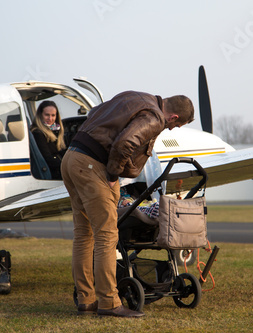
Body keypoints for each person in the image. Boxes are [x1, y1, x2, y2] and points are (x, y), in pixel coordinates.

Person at [60, 91, 194, 317]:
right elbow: (126, 142)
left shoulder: (136, 97)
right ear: (172, 117)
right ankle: (109, 303)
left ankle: (86, 300)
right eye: (176, 125)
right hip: (92, 166)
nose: (172, 129)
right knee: (107, 235)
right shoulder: (154, 117)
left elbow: (95, 113)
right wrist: (113, 174)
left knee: (84, 234)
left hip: (71, 158)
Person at [30, 100, 66, 179]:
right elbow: (48, 159)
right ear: (40, 115)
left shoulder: (56, 130)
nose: (50, 118)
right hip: (52, 172)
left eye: (53, 115)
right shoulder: (37, 133)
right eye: (47, 115)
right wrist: (68, 164)